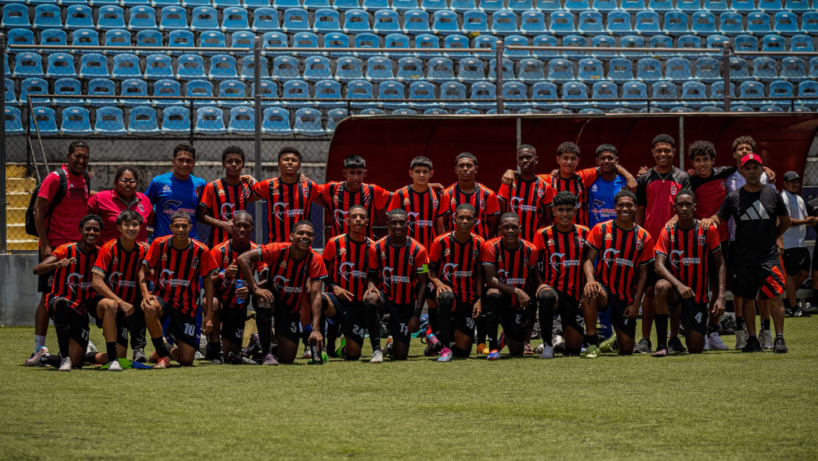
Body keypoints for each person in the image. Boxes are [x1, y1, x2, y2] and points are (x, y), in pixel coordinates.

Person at [714, 153, 791, 353]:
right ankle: (751, 339)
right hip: (743, 258)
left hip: (768, 256)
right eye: (747, 168)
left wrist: (775, 236)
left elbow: (786, 220)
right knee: (747, 299)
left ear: (761, 169)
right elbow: (719, 219)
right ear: (742, 170)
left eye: (755, 167)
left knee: (775, 296)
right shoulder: (734, 197)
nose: (751, 171)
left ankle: (779, 339)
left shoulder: (772, 194)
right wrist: (705, 222)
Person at [29, 140, 93, 365]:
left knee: (77, 294)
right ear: (68, 156)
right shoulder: (55, 177)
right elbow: (38, 209)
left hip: (77, 248)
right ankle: (39, 347)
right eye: (77, 156)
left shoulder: (85, 178)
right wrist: (45, 244)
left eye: (85, 156)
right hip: (55, 248)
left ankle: (80, 338)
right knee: (48, 297)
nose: (81, 160)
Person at [238, 220, 326, 364]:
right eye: (301, 233)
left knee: (287, 358)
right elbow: (243, 258)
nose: (305, 236)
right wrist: (255, 288)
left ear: (313, 239)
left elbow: (316, 294)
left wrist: (315, 329)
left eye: (309, 234)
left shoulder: (315, 259)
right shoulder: (277, 249)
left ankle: (258, 343)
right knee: (263, 299)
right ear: (291, 237)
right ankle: (266, 354)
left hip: (291, 308)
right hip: (273, 298)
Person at [634, 134, 691, 353]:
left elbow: (684, 208)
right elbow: (640, 210)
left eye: (667, 150)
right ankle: (645, 339)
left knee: (672, 292)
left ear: (674, 152)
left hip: (674, 245)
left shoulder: (683, 177)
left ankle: (674, 338)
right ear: (653, 152)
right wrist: (639, 237)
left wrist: (669, 228)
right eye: (659, 150)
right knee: (648, 292)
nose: (663, 154)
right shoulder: (645, 178)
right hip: (649, 245)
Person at [140, 211, 218, 368]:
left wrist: (209, 315)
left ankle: (160, 351)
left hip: (186, 306)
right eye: (176, 226)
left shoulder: (201, 250)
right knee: (149, 307)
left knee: (186, 360)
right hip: (163, 298)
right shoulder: (159, 244)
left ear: (190, 227)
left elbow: (208, 281)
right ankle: (163, 355)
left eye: (184, 226)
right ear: (170, 228)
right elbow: (143, 270)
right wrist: (145, 294)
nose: (180, 230)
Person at [653, 190, 727, 356]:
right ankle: (662, 344)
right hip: (675, 292)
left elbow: (720, 263)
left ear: (695, 206)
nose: (684, 208)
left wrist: (721, 297)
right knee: (661, 286)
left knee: (695, 348)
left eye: (688, 204)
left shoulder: (707, 230)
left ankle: (682, 326)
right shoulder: (668, 231)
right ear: (675, 207)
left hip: (697, 297)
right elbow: (658, 265)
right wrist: (678, 285)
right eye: (680, 205)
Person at [582, 190, 654, 358]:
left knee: (627, 350)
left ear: (635, 207)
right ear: (615, 207)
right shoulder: (601, 229)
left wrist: (637, 303)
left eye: (629, 205)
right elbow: (588, 260)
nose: (625, 208)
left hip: (626, 296)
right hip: (604, 289)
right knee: (590, 292)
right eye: (621, 205)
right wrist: (590, 280)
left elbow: (643, 272)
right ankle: (592, 343)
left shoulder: (644, 236)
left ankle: (613, 342)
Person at [388, 156, 447, 354]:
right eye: (417, 171)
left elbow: (439, 227)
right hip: (403, 256)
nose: (421, 175)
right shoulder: (400, 194)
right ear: (410, 173)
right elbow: (392, 226)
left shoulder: (438, 195)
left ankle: (432, 337)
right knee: (399, 296)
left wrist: (440, 256)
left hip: (428, 258)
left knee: (432, 297)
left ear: (431, 174)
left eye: (425, 172)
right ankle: (391, 336)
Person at [501, 142, 636, 227]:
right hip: (555, 234)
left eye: (573, 159)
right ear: (558, 159)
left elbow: (607, 165)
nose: (569, 162)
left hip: (580, 234)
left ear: (578, 161)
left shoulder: (583, 177)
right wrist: (511, 172)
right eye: (565, 158)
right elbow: (527, 176)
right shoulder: (548, 180)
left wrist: (629, 176)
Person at [30, 215, 102, 371]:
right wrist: (57, 264)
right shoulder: (66, 249)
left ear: (100, 233)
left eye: (96, 230)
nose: (92, 232)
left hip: (80, 308)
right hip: (59, 300)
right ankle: (65, 357)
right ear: (81, 231)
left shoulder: (100, 253)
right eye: (88, 229)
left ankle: (43, 356)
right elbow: (37, 269)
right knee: (61, 303)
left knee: (78, 362)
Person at [724, 136, 776, 348]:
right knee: (739, 291)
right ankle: (740, 331)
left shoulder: (766, 177)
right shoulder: (728, 177)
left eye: (748, 148)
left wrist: (777, 237)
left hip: (763, 242)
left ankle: (766, 330)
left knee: (765, 289)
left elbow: (774, 209)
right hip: (737, 239)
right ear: (734, 153)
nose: (744, 151)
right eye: (740, 148)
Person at [364, 208, 430, 361]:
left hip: (405, 304)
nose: (398, 226)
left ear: (408, 224)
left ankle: (390, 346)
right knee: (370, 299)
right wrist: (370, 286)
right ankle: (376, 349)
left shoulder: (420, 250)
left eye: (401, 222)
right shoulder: (376, 247)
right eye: (394, 223)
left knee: (401, 356)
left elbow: (423, 283)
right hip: (386, 298)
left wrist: (416, 315)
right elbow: (372, 276)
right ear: (388, 224)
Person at [532, 192, 590, 358]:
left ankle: (558, 344)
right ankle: (548, 344)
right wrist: (540, 284)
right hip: (554, 292)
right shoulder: (542, 234)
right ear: (554, 211)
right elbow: (535, 265)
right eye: (561, 210)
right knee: (547, 296)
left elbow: (588, 262)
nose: (565, 214)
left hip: (575, 295)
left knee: (573, 349)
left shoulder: (585, 232)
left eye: (569, 210)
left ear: (575, 211)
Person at [321, 206, 382, 362]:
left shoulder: (373, 247)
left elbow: (375, 275)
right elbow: (321, 270)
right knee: (318, 299)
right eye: (354, 216)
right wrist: (334, 286)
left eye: (362, 217)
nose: (358, 220)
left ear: (367, 222)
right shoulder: (334, 243)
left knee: (352, 356)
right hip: (335, 299)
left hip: (357, 305)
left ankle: (345, 345)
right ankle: (320, 348)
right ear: (347, 220)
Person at [90, 210, 148, 369]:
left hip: (127, 308)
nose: (131, 228)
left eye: (135, 225)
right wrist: (120, 302)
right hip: (106, 304)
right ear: (119, 227)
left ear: (140, 227)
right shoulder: (109, 248)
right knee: (111, 305)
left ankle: (86, 354)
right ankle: (113, 361)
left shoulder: (144, 250)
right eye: (127, 224)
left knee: (121, 355)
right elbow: (96, 282)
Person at [207, 211, 266, 365]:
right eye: (238, 225)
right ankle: (214, 350)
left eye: (245, 226)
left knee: (230, 355)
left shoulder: (257, 251)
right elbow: (207, 282)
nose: (241, 229)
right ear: (231, 228)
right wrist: (223, 274)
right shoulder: (218, 251)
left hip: (238, 306)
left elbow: (266, 279)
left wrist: (252, 288)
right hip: (220, 303)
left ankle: (253, 344)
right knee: (211, 302)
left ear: (251, 229)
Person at [428, 204, 485, 362]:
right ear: (454, 219)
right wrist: (438, 283)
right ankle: (444, 348)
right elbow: (426, 267)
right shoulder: (440, 242)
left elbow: (480, 273)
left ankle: (435, 343)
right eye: (461, 217)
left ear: (475, 221)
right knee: (445, 297)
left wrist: (479, 298)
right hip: (446, 293)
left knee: (464, 351)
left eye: (469, 218)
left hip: (467, 297)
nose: (465, 221)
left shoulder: (480, 243)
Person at [481, 213, 539, 360]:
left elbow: (532, 281)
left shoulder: (530, 249)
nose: (510, 231)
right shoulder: (490, 246)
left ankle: (504, 338)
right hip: (498, 298)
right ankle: (493, 347)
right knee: (494, 294)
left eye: (514, 227)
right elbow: (490, 279)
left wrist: (529, 309)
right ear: (500, 229)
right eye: (506, 227)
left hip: (517, 303)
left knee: (517, 352)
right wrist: (515, 290)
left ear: (520, 229)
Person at [252, 146, 325, 244]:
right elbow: (243, 198)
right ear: (278, 164)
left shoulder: (309, 185)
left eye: (294, 160)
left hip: (302, 246)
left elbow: (327, 204)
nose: (290, 162)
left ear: (299, 165)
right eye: (286, 159)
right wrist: (246, 178)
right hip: (276, 245)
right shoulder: (268, 185)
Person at [145, 144, 207, 241]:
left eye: (189, 161)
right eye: (181, 160)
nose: (185, 164)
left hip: (191, 242)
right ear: (173, 161)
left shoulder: (200, 184)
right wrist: (153, 222)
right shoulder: (158, 182)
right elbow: (144, 207)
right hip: (163, 242)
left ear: (194, 163)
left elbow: (203, 213)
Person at [322, 155, 392, 239]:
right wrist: (302, 177)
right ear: (344, 173)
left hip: (366, 246)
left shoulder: (372, 191)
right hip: (339, 246)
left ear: (364, 173)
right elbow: (311, 191)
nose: (356, 177)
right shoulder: (332, 188)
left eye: (359, 173)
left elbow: (398, 196)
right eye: (352, 173)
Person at [198, 146, 255, 247]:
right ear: (223, 164)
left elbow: (262, 192)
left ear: (243, 164)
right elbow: (200, 215)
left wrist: (252, 179)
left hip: (242, 245)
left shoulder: (247, 185)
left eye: (238, 161)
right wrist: (223, 224)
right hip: (217, 244)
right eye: (229, 161)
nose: (233, 164)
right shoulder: (212, 187)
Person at [497, 145, 554, 242]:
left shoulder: (545, 187)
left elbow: (548, 220)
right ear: (517, 162)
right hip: (509, 240)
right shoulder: (509, 183)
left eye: (528, 157)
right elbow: (500, 215)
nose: (524, 160)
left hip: (534, 240)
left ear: (536, 160)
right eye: (521, 158)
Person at [780, 171, 816, 321]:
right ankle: (793, 306)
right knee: (791, 275)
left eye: (797, 181)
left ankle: (789, 301)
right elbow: (787, 220)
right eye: (791, 181)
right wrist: (807, 222)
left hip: (800, 242)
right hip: (789, 243)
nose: (795, 184)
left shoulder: (799, 198)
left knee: (804, 274)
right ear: (785, 184)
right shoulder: (782, 198)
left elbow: (802, 217)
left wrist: (809, 219)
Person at [87, 166, 153, 244]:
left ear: (137, 184)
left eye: (132, 181)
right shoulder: (100, 199)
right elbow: (85, 221)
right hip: (109, 252)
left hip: (139, 253)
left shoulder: (144, 200)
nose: (128, 184)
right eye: (124, 180)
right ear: (115, 182)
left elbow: (150, 222)